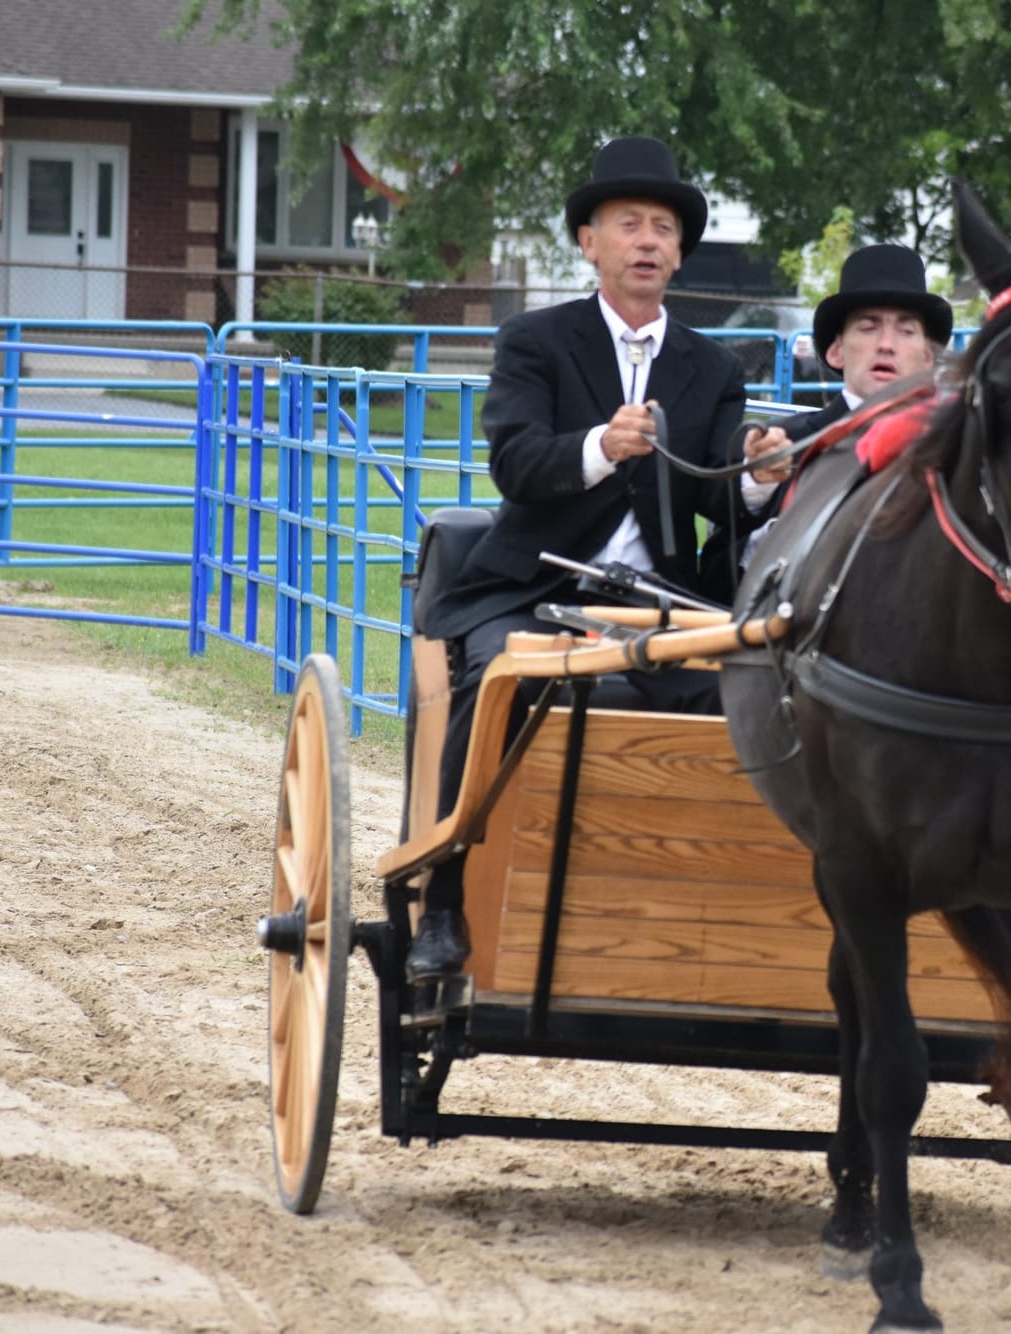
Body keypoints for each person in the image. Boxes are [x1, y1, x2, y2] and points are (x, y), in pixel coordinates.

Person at [407, 136, 748, 985]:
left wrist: (754, 479)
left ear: (680, 250)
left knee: (746, 695)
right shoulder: (535, 341)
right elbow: (515, 462)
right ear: (588, 242)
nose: (647, 242)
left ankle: (700, 907)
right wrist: (601, 445)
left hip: (661, 602)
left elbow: (716, 498)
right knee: (501, 680)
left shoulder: (713, 366)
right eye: (627, 224)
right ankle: (443, 901)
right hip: (534, 588)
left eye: (663, 228)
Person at [702, 243, 953, 595]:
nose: (886, 344)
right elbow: (715, 578)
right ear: (836, 351)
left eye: (906, 331)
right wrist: (778, 523)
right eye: (868, 327)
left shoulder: (950, 453)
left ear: (928, 357)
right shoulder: (780, 444)